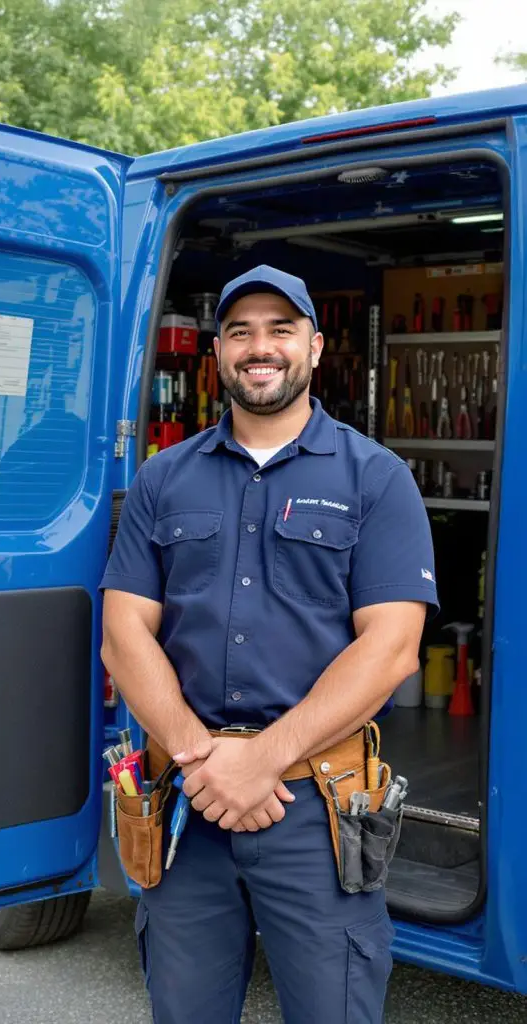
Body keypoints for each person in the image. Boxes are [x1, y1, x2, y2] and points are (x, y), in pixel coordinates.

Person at [99, 265, 438, 1023]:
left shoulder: (375, 478)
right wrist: (202, 761)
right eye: (241, 331)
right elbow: (124, 636)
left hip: (315, 808)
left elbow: (389, 650)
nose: (261, 347)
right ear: (217, 353)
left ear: (315, 348)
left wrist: (258, 762)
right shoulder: (163, 479)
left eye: (281, 330)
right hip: (187, 805)